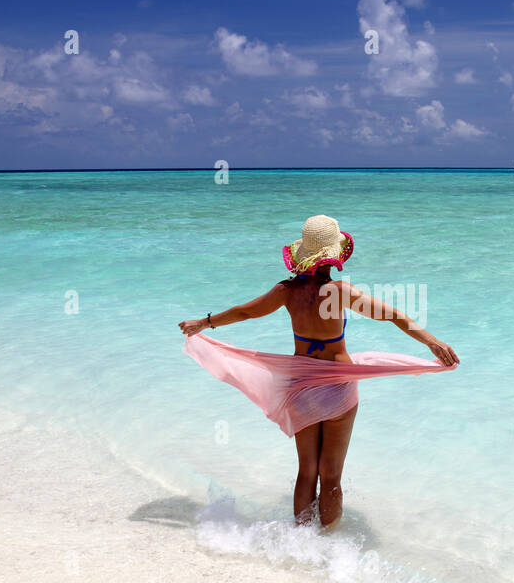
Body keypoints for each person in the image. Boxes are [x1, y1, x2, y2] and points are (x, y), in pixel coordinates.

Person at [179, 214, 458, 528]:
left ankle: (299, 543)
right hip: (338, 386)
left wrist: (204, 322)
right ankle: (327, 549)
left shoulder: (285, 291)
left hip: (300, 387)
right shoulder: (339, 291)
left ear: (302, 255)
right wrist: (434, 344)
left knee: (307, 472)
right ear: (334, 255)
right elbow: (395, 316)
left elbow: (244, 311)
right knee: (331, 476)